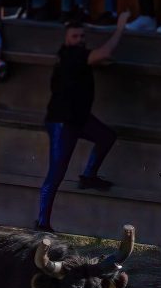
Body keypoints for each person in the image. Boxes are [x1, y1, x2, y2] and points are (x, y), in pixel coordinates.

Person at [35, 13, 129, 232]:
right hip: (62, 123)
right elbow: (104, 52)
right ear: (67, 39)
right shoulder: (71, 54)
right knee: (56, 174)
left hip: (78, 118)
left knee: (106, 136)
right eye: (75, 36)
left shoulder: (72, 55)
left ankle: (88, 175)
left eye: (82, 36)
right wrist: (120, 28)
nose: (80, 39)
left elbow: (94, 60)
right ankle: (42, 223)